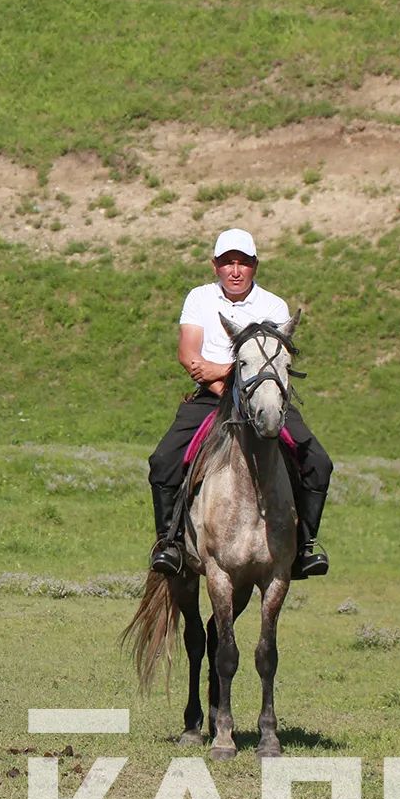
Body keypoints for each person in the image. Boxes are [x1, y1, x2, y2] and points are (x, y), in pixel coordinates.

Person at [146, 228, 334, 579]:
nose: (235, 270)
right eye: (227, 262)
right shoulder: (200, 298)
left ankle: (305, 546)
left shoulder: (273, 305)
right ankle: (168, 544)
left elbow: (272, 363)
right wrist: (225, 380)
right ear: (215, 265)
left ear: (255, 266)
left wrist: (223, 369)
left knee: (319, 462)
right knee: (163, 460)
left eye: (243, 263)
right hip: (211, 395)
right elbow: (188, 355)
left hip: (264, 396)